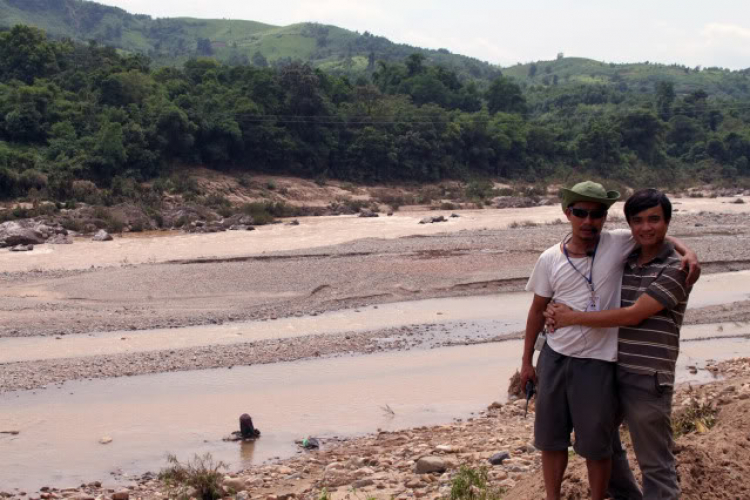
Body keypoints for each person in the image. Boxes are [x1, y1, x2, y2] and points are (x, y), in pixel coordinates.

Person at [520, 181, 698, 500]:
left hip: (626, 370)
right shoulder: (562, 258)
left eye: (597, 213)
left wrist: (688, 251)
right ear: (567, 214)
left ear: (605, 217)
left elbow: (634, 312)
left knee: (632, 456)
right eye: (580, 213)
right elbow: (536, 310)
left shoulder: (652, 259)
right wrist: (527, 362)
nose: (588, 220)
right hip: (585, 362)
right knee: (579, 441)